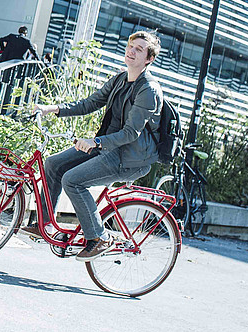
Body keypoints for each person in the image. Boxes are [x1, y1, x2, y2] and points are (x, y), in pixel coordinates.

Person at [24, 30, 164, 261]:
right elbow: (90, 103)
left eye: (139, 49)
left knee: (73, 180)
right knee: (53, 164)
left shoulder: (148, 90)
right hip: (109, 147)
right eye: (131, 46)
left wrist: (95, 141)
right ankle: (45, 224)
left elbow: (130, 133)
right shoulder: (121, 79)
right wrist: (53, 109)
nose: (131, 51)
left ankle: (99, 238)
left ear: (149, 59)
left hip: (130, 157)